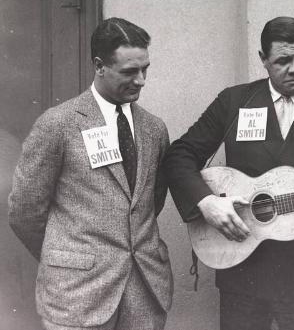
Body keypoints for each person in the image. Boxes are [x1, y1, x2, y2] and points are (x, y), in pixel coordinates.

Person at [164, 16, 294, 330]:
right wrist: (206, 203)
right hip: (242, 262)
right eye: (284, 60)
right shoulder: (234, 102)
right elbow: (180, 155)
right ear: (263, 60)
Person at [9, 18, 173, 330]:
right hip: (77, 296)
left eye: (145, 69)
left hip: (143, 293)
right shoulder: (58, 124)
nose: (141, 80)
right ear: (99, 66)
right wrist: (69, 256)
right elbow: (25, 211)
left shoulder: (154, 129)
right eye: (129, 72)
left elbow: (149, 202)